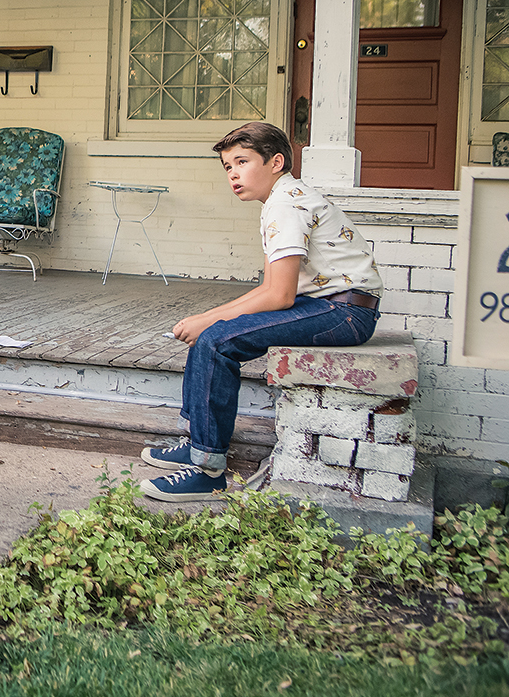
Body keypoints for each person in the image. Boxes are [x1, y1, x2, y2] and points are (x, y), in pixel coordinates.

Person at [139, 123, 383, 502]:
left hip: (344, 312)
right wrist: (212, 315)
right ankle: (198, 443)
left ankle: (207, 472)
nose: (233, 173)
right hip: (330, 305)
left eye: (242, 161)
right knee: (213, 332)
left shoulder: (286, 204)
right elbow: (271, 291)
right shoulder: (281, 200)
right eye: (227, 166)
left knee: (217, 342)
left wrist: (209, 320)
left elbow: (280, 295)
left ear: (276, 162)